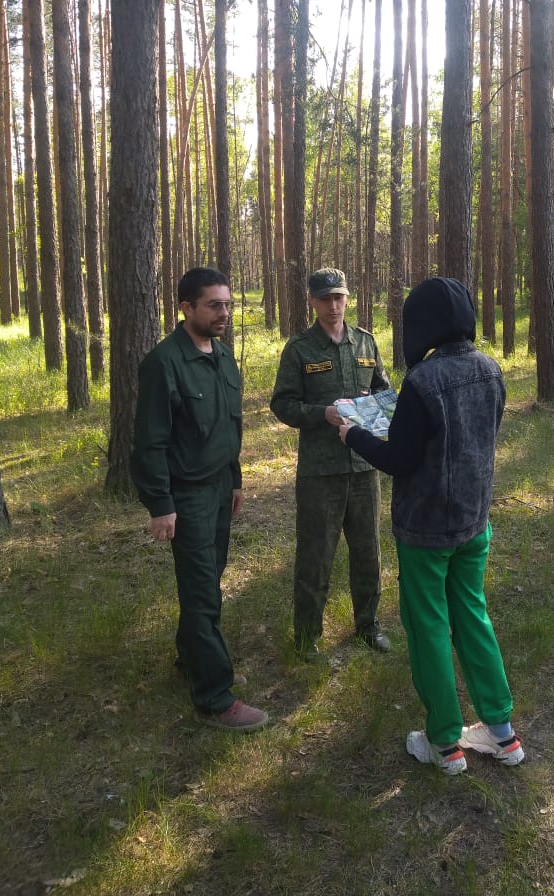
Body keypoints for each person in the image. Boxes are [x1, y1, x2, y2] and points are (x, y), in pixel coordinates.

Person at [338, 276, 524, 774]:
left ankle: (444, 742)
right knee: (473, 617)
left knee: (429, 628)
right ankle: (503, 735)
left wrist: (351, 432)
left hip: (426, 528)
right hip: (473, 519)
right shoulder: (490, 369)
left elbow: (398, 459)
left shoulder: (423, 381)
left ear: (420, 326)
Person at [130, 267, 268, 732]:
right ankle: (214, 697)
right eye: (214, 305)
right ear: (186, 307)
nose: (224, 313)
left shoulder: (223, 356)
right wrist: (160, 504)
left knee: (208, 580)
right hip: (185, 497)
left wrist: (235, 479)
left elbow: (229, 427)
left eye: (228, 304)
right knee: (202, 591)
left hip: (218, 489)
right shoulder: (164, 363)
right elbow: (150, 441)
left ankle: (190, 660)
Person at [270, 268, 391, 659]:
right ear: (312, 301)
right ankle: (307, 636)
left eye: (338, 297)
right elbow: (282, 404)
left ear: (347, 298)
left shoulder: (365, 342)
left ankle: (368, 626)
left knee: (368, 552)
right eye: (325, 299)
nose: (333, 306)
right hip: (320, 471)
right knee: (315, 555)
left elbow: (383, 391)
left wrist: (370, 403)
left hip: (363, 466)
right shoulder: (300, 349)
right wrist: (321, 413)